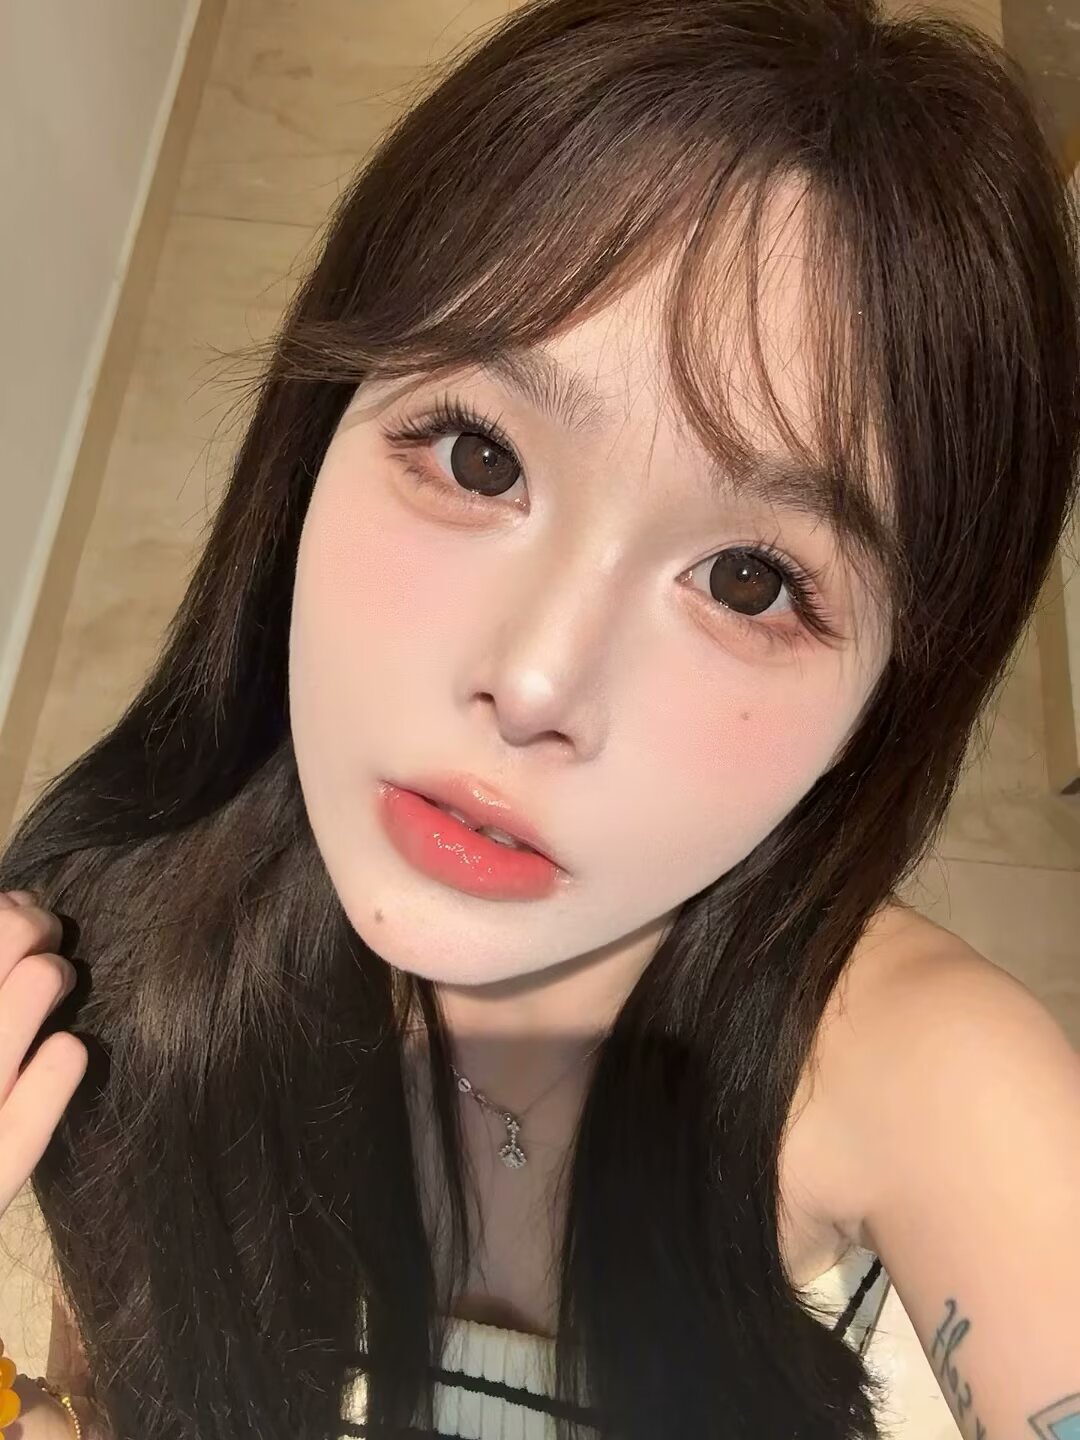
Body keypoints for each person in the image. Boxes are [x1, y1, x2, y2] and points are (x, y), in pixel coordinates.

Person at [1, 0, 1079, 1435]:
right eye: (476, 454)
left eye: (749, 581)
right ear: (321, 431)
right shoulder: (115, 961)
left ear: (894, 692)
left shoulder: (940, 1094)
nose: (536, 683)